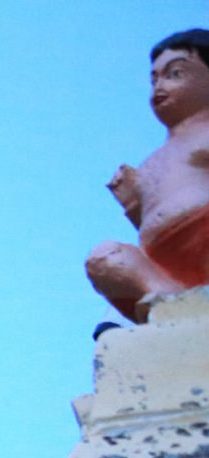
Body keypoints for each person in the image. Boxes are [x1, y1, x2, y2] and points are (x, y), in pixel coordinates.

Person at [88, 30, 209, 322]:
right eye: (154, 79)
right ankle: (171, 300)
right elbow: (152, 218)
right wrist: (133, 204)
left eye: (175, 73)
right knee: (104, 258)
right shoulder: (151, 163)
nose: (159, 86)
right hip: (169, 262)